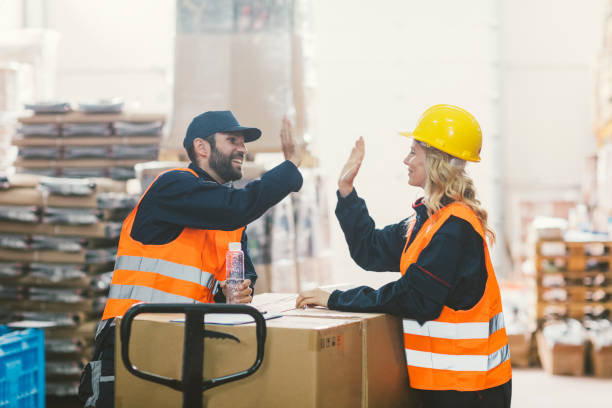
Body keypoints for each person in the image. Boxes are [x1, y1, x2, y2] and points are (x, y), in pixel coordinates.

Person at [79, 110, 304, 407]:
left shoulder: (230, 219)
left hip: (188, 346)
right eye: (232, 140)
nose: (242, 149)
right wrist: (289, 168)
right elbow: (235, 207)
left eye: (244, 142)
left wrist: (236, 292)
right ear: (202, 147)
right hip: (133, 341)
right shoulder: (172, 186)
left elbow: (240, 276)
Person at [296, 105, 512, 408]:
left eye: (413, 153)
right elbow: (369, 250)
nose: (405, 160)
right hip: (447, 384)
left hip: (469, 389)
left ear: (436, 160)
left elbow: (415, 298)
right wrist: (346, 192)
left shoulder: (454, 228)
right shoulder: (426, 221)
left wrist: (335, 300)